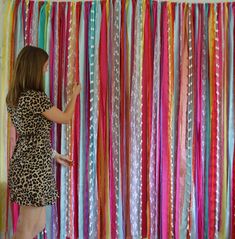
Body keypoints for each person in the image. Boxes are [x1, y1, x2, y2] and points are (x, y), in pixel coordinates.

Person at [6, 45, 81, 239]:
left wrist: (55, 155)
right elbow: (65, 118)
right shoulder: (35, 98)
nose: (46, 69)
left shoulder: (14, 97)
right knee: (26, 228)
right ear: (34, 68)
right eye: (44, 65)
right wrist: (75, 95)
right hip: (33, 168)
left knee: (37, 225)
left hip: (26, 163)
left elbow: (31, 136)